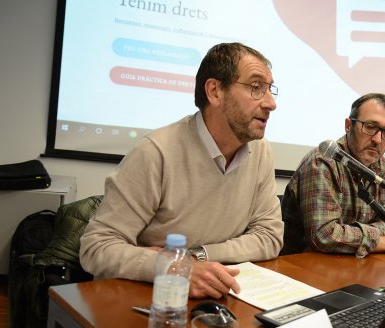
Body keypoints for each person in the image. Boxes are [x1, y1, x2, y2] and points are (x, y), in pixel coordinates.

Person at [80, 42, 284, 298]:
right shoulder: (157, 152)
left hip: (213, 294)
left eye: (269, 89)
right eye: (256, 88)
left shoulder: (261, 151)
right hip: (140, 300)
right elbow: (96, 248)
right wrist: (172, 268)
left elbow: (269, 237)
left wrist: (192, 257)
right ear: (215, 91)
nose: (271, 103)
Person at [281, 93, 385, 258]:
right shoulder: (323, 162)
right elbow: (324, 235)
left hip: (351, 262)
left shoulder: (379, 167)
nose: (377, 139)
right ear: (348, 125)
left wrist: (348, 234)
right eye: (369, 126)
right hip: (301, 267)